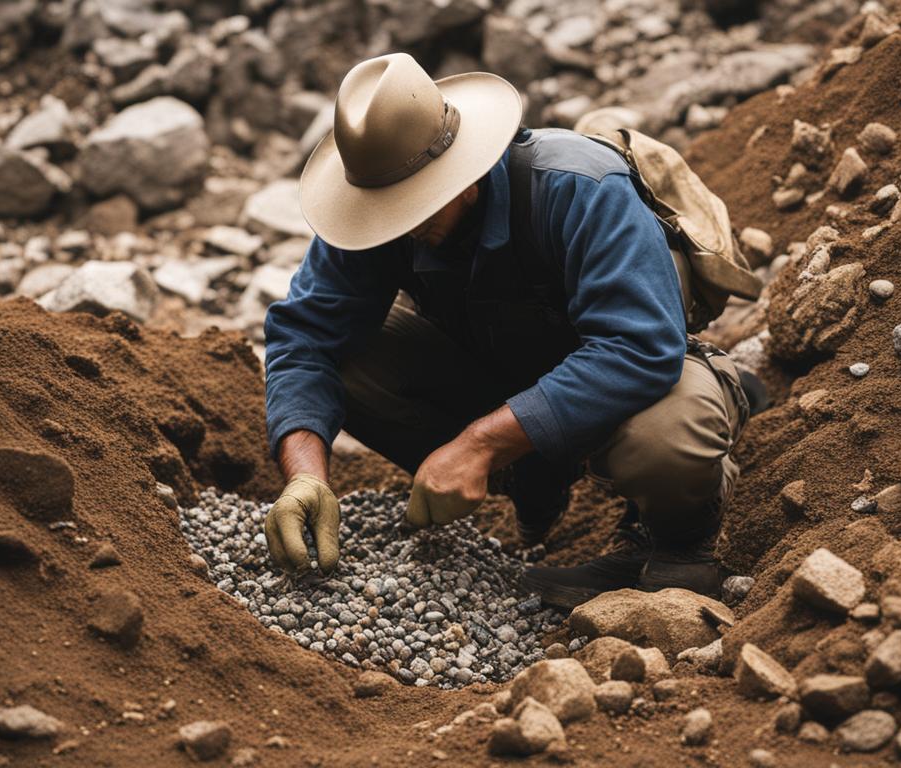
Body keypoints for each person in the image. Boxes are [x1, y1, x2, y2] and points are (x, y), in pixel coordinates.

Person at [262, 52, 751, 607]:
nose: (400, 224)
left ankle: (678, 544)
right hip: (500, 368)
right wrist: (306, 475)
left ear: (462, 173)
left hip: (629, 372)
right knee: (351, 361)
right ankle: (535, 480)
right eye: (384, 209)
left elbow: (639, 347)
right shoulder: (374, 213)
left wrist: (480, 443)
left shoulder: (578, 188)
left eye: (412, 207)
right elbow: (303, 339)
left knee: (667, 437)